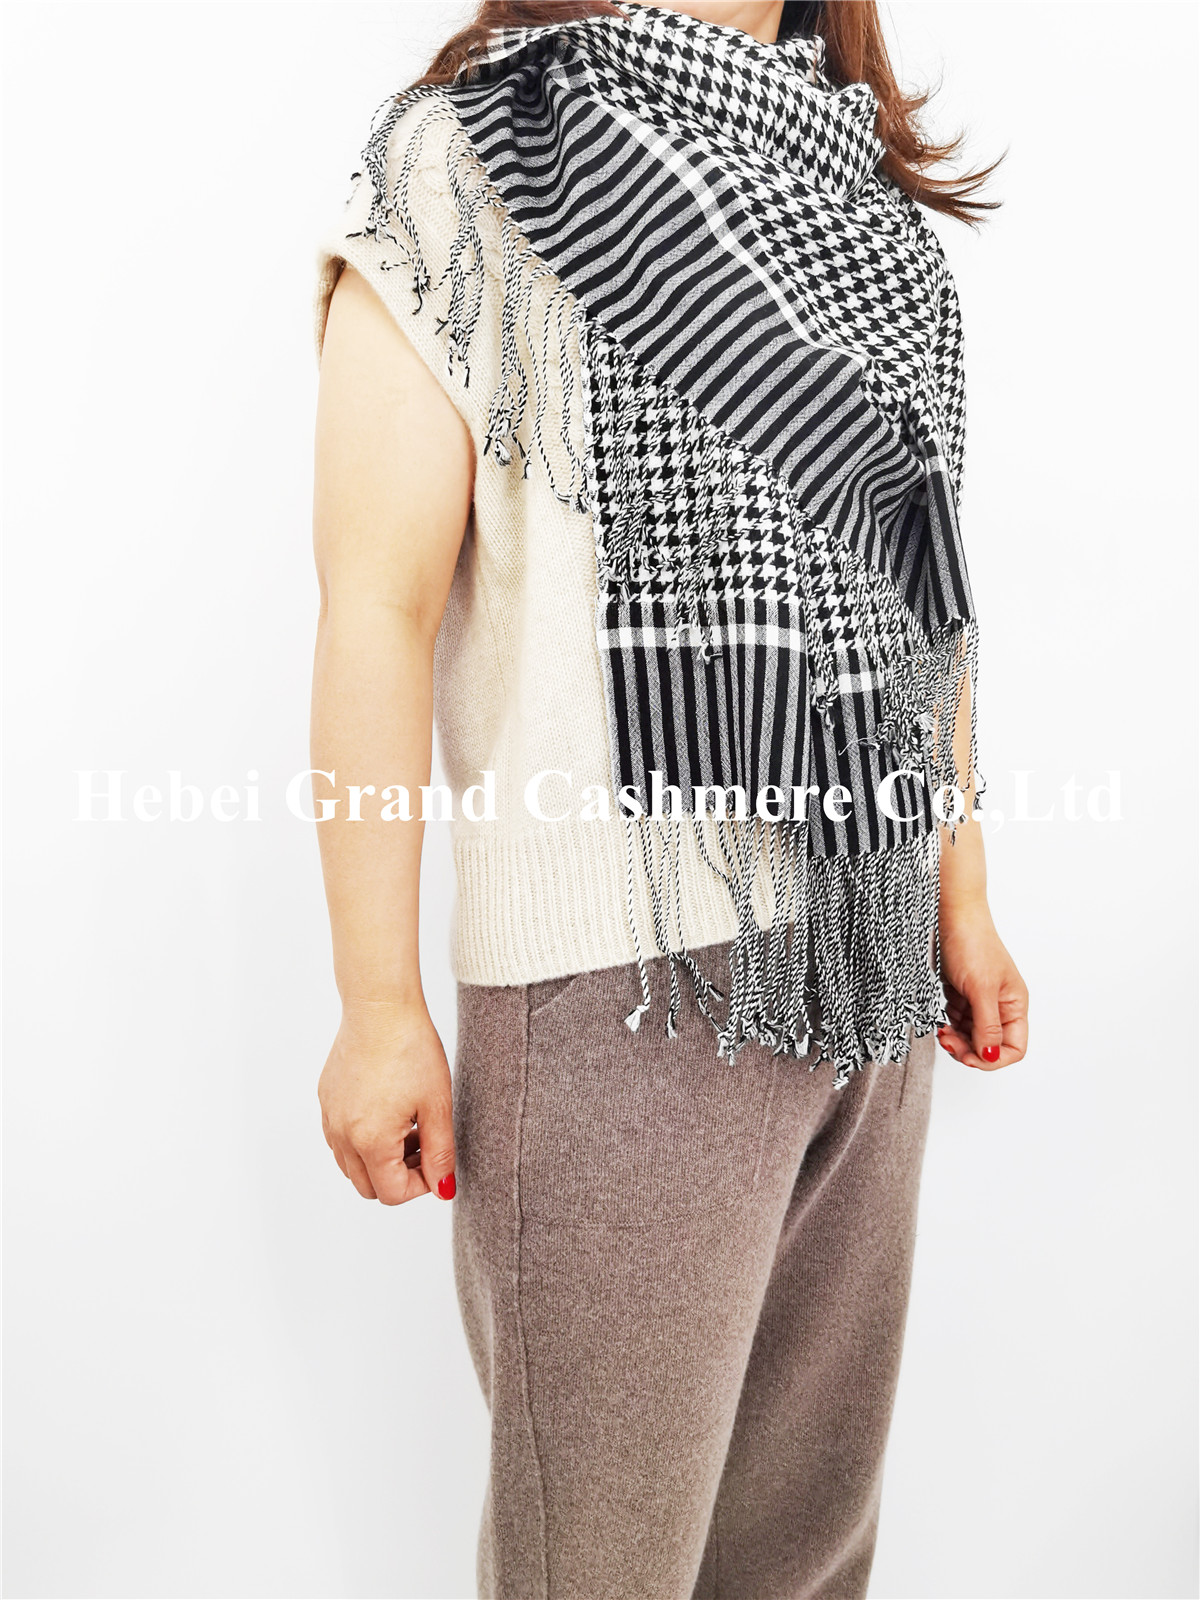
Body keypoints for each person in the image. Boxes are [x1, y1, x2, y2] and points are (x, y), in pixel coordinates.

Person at [311, 2, 1030, 1595]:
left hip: (861, 968)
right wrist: (376, 1003)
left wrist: (963, 892)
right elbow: (375, 606)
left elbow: (922, 592)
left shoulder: (863, 211)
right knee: (602, 1569)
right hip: (618, 990)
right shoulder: (475, 159)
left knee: (803, 1561)